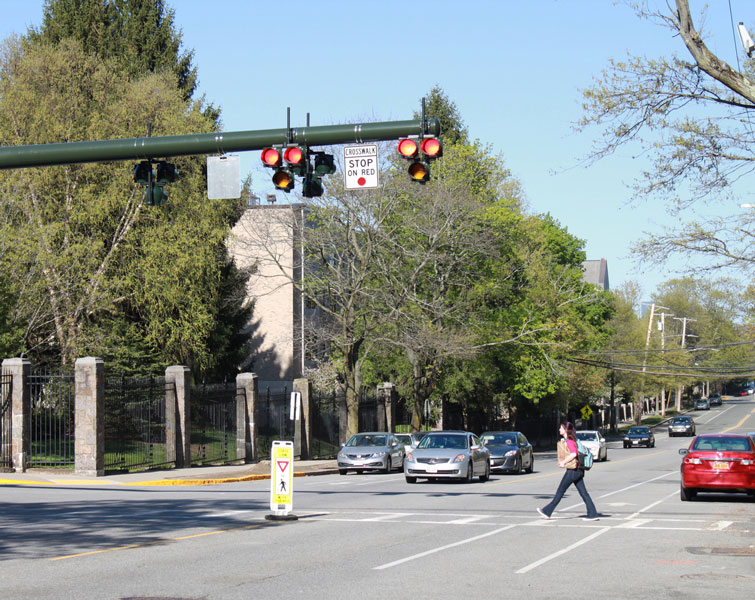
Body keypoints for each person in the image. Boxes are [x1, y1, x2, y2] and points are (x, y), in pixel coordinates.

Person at [537, 421, 600, 521]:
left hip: (573, 471)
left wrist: (563, 462)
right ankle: (592, 513)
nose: (559, 430)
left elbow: (574, 454)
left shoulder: (570, 440)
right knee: (584, 493)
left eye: (561, 428)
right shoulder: (571, 439)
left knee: (560, 491)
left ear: (565, 430)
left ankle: (547, 511)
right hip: (578, 470)